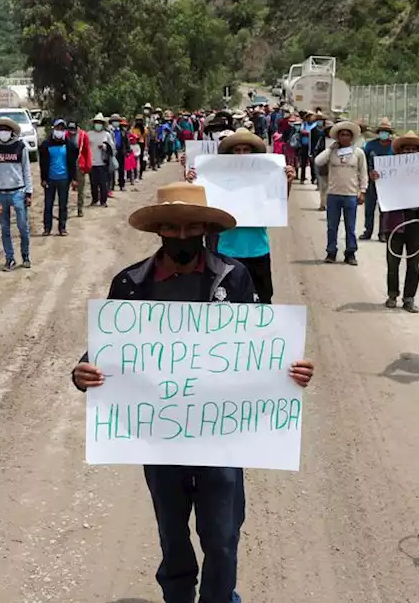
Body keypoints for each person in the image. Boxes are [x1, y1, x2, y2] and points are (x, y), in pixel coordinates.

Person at [70, 182, 316, 603]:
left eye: (190, 228)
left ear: (205, 227)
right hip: (160, 438)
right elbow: (103, 353)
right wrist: (81, 373)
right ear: (158, 231)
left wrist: (290, 371)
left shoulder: (234, 278)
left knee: (221, 536)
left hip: (221, 438)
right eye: (171, 228)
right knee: (172, 533)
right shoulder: (130, 284)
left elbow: (260, 345)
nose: (181, 237)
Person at [184, 129, 295, 303]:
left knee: (263, 300)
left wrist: (285, 183)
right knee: (227, 301)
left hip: (258, 250)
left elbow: (276, 204)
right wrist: (192, 182)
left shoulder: (264, 177)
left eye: (246, 149)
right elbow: (201, 206)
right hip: (227, 250)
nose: (242, 154)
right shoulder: (218, 178)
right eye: (237, 150)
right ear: (230, 153)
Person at [377, 132, 419, 311]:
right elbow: (381, 192)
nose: (409, 153)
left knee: (414, 265)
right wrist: (377, 179)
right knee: (392, 263)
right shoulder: (390, 172)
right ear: (399, 153)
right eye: (405, 149)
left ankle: (409, 298)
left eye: (413, 150)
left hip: (416, 222)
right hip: (394, 222)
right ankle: (392, 295)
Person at [314, 121, 369, 265]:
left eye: (347, 135)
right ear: (337, 137)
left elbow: (363, 173)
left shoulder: (358, 153)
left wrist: (362, 192)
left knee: (350, 227)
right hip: (333, 194)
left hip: (351, 195)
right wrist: (330, 149)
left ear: (352, 137)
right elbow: (318, 161)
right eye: (342, 135)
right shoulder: (332, 152)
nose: (344, 137)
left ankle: (350, 253)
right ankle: (331, 252)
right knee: (332, 226)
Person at [0, 117, 34, 271]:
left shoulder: (20, 147)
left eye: (5, 129)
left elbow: (26, 170)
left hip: (18, 192)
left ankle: (25, 256)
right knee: (4, 228)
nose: (2, 132)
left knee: (22, 226)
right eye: (0, 129)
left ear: (11, 132)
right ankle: (9, 258)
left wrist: (29, 191)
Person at [40, 119, 79, 236]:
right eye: (57, 129)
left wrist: (74, 179)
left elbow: (73, 163)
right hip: (50, 180)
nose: (59, 131)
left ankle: (62, 228)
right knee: (48, 205)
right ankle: (47, 228)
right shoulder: (46, 145)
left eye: (62, 129)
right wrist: (43, 179)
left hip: (64, 179)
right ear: (53, 129)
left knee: (63, 205)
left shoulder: (69, 146)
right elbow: (42, 163)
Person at [361, 118, 395, 242]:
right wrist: (368, 172)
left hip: (387, 183)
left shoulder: (394, 147)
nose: (383, 133)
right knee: (369, 207)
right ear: (378, 132)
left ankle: (383, 232)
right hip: (372, 181)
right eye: (381, 131)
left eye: (386, 131)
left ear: (389, 133)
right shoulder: (370, 145)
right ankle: (367, 231)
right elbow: (363, 161)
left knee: (384, 209)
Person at [87, 113, 116, 208]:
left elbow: (112, 147)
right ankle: (94, 199)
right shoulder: (89, 134)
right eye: (96, 122)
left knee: (103, 184)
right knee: (93, 184)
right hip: (92, 163)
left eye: (100, 122)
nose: (98, 124)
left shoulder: (106, 135)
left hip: (103, 163)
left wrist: (104, 146)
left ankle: (103, 201)